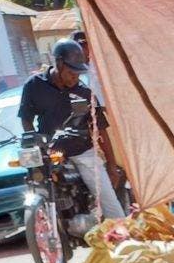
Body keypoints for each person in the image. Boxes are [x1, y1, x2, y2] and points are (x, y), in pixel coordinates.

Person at [18, 38, 124, 220]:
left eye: (78, 73)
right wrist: (35, 143)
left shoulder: (84, 93)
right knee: (37, 182)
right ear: (58, 63)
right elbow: (26, 119)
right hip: (51, 152)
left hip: (82, 150)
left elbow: (100, 130)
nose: (75, 77)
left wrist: (112, 166)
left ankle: (123, 235)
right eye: (71, 72)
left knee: (109, 202)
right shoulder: (34, 86)